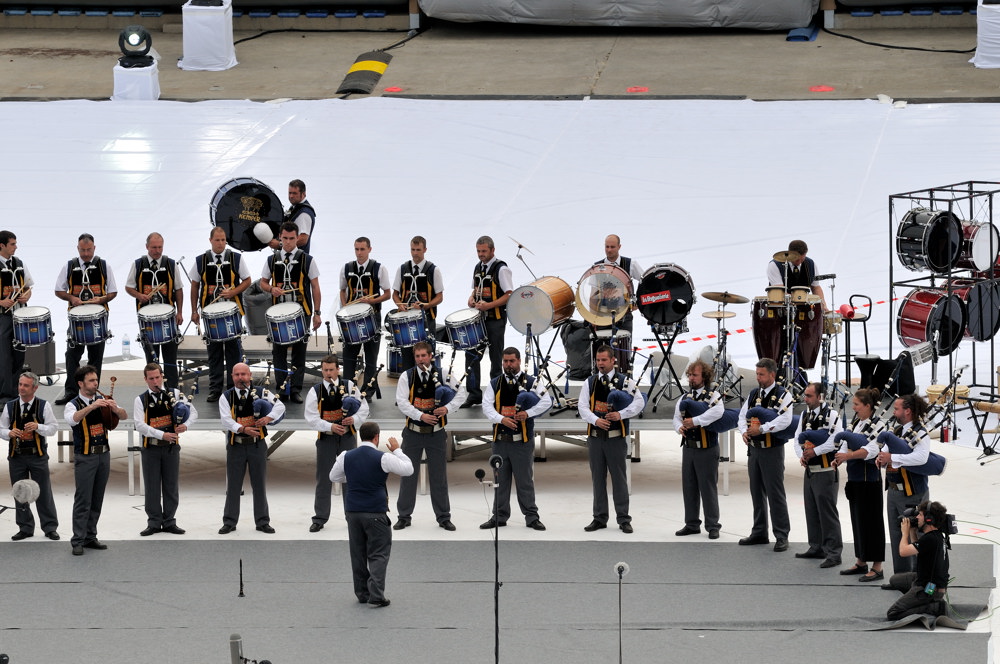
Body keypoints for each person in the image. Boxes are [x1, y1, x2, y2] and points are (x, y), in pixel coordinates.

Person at [330, 421, 414, 608]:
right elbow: (408, 469)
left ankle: (362, 593)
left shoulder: (346, 456)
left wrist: (354, 478)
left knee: (357, 553)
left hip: (352, 512)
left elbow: (333, 477)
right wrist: (397, 450)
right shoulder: (383, 458)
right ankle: (376, 594)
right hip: (375, 511)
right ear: (377, 437)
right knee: (378, 554)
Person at [393, 340, 465, 531]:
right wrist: (421, 415)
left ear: (431, 356)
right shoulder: (406, 376)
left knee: (438, 477)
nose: (420, 359)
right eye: (417, 356)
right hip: (413, 434)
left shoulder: (443, 374)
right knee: (408, 475)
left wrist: (447, 408)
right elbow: (401, 402)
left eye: (424, 355)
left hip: (436, 435)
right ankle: (404, 516)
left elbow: (461, 393)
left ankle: (443, 517)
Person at [480, 347, 552, 531]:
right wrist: (501, 419)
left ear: (519, 361)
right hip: (500, 441)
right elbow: (487, 406)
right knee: (500, 481)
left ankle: (531, 517)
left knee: (525, 480)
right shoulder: (495, 383)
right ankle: (499, 516)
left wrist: (528, 414)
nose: (508, 365)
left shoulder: (532, 382)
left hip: (522, 442)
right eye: (505, 361)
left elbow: (546, 401)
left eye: (511, 361)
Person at [578, 344, 645, 534]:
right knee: (597, 479)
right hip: (596, 438)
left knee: (619, 479)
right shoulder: (589, 382)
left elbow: (640, 402)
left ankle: (623, 519)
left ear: (613, 360)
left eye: (604, 360)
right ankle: (599, 517)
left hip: (616, 439)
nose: (600, 363)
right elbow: (583, 407)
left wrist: (621, 415)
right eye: (598, 360)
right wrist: (596, 420)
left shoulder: (625, 382)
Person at [218, 362, 285, 535]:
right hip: (236, 446)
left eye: (244, 374)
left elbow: (280, 406)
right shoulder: (226, 396)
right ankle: (230, 521)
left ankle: (262, 521)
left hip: (257, 446)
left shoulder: (263, 393)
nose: (241, 378)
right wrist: (243, 429)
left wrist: (268, 418)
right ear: (232, 377)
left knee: (259, 484)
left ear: (250, 375)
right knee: (233, 486)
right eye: (237, 375)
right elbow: (226, 420)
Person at [65, 365, 126, 556]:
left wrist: (115, 408)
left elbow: (124, 416)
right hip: (85, 456)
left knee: (97, 498)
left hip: (103, 454)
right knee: (83, 499)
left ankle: (91, 536)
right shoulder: (73, 404)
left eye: (96, 380)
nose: (96, 383)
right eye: (91, 380)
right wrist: (92, 406)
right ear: (80, 384)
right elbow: (72, 420)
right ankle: (77, 539)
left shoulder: (103, 400)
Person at [304, 354, 368, 532]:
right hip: (326, 439)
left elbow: (364, 409)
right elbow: (310, 417)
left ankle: (352, 517)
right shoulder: (315, 391)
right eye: (325, 370)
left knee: (351, 478)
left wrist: (353, 419)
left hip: (347, 437)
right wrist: (330, 426)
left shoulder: (349, 385)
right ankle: (320, 518)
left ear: (337, 369)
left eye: (331, 369)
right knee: (324, 479)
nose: (328, 373)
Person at [260, 221, 322, 403]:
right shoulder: (272, 259)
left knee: (299, 351)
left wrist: (317, 312)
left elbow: (316, 287)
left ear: (297, 238)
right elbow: (263, 282)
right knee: (278, 351)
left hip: (302, 312)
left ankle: (295, 389)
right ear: (280, 237)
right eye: (285, 238)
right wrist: (271, 289)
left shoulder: (307, 259)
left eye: (292, 238)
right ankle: (281, 388)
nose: (288, 242)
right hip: (277, 313)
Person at [133, 362, 198, 537]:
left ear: (162, 376)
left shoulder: (175, 394)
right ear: (145, 379)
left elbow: (193, 413)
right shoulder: (140, 400)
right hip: (151, 449)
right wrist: (162, 435)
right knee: (152, 487)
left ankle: (169, 521)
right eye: (151, 378)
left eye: (158, 377)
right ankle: (154, 522)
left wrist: (185, 425)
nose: (155, 381)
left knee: (170, 486)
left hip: (171, 449)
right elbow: (139, 425)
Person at [54, 234, 118, 405]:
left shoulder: (104, 265)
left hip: (98, 319)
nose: (86, 254)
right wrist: (71, 298)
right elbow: (58, 290)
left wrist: (101, 299)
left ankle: (92, 392)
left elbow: (113, 291)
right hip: (76, 320)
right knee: (72, 356)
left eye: (89, 250)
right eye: (82, 250)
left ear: (94, 248)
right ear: (77, 248)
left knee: (95, 358)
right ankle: (71, 392)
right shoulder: (69, 266)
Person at [737, 358, 793, 552]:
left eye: (761, 374)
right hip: (754, 450)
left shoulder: (783, 395)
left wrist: (762, 429)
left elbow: (784, 420)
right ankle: (759, 531)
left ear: (772, 374)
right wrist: (744, 430)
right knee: (756, 491)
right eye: (757, 374)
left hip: (772, 450)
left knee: (775, 493)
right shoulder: (754, 394)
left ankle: (781, 534)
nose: (758, 378)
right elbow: (742, 415)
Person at [190, 227, 252, 403]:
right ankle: (215, 388)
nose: (221, 243)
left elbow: (247, 280)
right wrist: (194, 311)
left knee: (233, 351)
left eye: (224, 240)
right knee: (214, 352)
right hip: (210, 314)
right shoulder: (201, 260)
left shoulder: (236, 258)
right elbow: (195, 285)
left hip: (232, 312)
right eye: (217, 240)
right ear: (210, 240)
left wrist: (234, 292)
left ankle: (235, 388)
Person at [832, 387, 887, 582]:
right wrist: (840, 458)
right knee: (858, 521)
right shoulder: (856, 422)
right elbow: (847, 443)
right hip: (855, 480)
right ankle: (861, 560)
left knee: (872, 523)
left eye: (856, 404)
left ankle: (878, 566)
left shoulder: (878, 425)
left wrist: (848, 455)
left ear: (867, 406)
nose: (853, 408)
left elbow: (871, 450)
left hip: (869, 482)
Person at [877, 393, 932, 575]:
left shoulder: (921, 431)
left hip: (912, 492)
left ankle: (918, 576)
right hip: (893, 491)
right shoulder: (898, 430)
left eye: (897, 408)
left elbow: (921, 457)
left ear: (907, 411)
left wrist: (892, 457)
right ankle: (900, 576)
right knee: (896, 533)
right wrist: (881, 458)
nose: (894, 411)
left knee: (915, 534)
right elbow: (885, 449)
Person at [1, 371, 59, 541]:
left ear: (35, 388)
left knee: (43, 492)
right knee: (20, 492)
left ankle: (49, 527)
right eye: (20, 384)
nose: (22, 388)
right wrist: (9, 433)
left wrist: (38, 426)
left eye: (26, 385)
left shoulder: (43, 405)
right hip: (17, 456)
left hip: (37, 455)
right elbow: (1, 429)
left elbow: (53, 427)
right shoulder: (10, 406)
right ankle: (25, 527)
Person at [792, 382, 844, 568]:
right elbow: (797, 438)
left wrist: (816, 451)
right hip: (810, 471)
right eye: (805, 395)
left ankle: (833, 552)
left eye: (809, 396)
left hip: (826, 471)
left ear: (820, 397)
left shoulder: (832, 415)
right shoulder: (804, 415)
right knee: (811, 510)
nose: (805, 399)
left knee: (827, 514)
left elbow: (836, 440)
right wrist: (802, 456)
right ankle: (816, 546)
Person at [125, 232, 185, 390]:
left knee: (170, 357)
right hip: (147, 320)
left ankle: (172, 390)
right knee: (152, 359)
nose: (157, 251)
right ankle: (155, 390)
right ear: (147, 247)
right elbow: (128, 287)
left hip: (168, 319)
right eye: (154, 247)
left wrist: (180, 312)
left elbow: (178, 289)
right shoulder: (138, 264)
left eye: (160, 247)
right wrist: (139, 295)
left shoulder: (171, 264)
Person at [672, 359, 723, 539]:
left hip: (707, 448)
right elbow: (676, 417)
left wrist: (695, 421)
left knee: (708, 487)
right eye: (690, 375)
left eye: (695, 375)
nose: (691, 378)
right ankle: (692, 523)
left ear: (704, 377)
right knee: (689, 487)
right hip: (689, 448)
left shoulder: (713, 395)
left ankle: (713, 525)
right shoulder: (684, 397)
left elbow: (717, 412)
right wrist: (680, 428)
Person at [463, 235, 513, 408]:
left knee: (495, 357)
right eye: (478, 251)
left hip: (496, 320)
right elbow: (475, 289)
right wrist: (471, 298)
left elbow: (509, 295)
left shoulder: (501, 268)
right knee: (471, 354)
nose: (481, 254)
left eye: (484, 251)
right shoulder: (478, 267)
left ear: (492, 250)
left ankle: (495, 394)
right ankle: (474, 393)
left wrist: (489, 305)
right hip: (479, 321)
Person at [340, 236, 391, 396]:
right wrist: (345, 306)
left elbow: (388, 293)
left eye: (362, 249)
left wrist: (373, 300)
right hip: (352, 318)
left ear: (369, 249)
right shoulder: (347, 268)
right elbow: (342, 290)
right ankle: (348, 388)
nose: (359, 253)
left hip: (372, 317)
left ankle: (368, 390)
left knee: (371, 355)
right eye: (357, 249)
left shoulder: (379, 268)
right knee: (349, 354)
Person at [886, 500, 950, 620]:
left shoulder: (930, 539)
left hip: (929, 589)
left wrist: (904, 533)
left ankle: (933, 607)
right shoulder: (937, 536)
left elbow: (903, 551)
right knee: (894, 580)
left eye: (920, 514)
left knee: (893, 613)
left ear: (929, 519)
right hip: (929, 581)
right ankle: (917, 600)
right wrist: (912, 532)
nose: (917, 517)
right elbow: (918, 552)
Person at [391, 235, 444, 372]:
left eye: (418, 250)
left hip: (426, 320)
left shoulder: (433, 270)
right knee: (407, 358)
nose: (415, 253)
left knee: (425, 359)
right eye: (413, 250)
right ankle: (409, 388)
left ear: (425, 249)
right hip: (406, 321)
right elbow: (395, 294)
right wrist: (399, 304)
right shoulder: (402, 269)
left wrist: (425, 305)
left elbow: (439, 297)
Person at [0, 231, 33, 404]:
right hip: (3, 316)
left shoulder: (19, 263)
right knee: (4, 356)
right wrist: (1, 301)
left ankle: (15, 392)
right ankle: (4, 396)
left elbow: (28, 286)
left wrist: (27, 296)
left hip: (20, 315)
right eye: (12, 244)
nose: (16, 246)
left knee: (19, 354)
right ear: (2, 245)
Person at [593, 234, 644, 336]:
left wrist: (638, 302)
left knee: (623, 349)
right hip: (603, 317)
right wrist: (592, 319)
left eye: (612, 247)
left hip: (625, 316)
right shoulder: (597, 266)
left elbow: (645, 281)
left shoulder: (630, 264)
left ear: (619, 247)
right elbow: (593, 294)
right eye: (607, 247)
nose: (609, 250)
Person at [766, 239, 828, 310]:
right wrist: (801, 298)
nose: (799, 262)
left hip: (804, 309)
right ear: (790, 253)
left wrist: (823, 305)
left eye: (802, 259)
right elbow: (779, 291)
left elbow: (816, 287)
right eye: (796, 259)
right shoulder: (775, 265)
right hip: (781, 309)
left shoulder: (811, 264)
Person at [269, 179, 316, 254]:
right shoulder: (296, 208)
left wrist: (280, 245)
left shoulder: (304, 214)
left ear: (303, 194)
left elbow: (303, 239)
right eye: (290, 193)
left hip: (297, 260)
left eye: (294, 193)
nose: (291, 196)